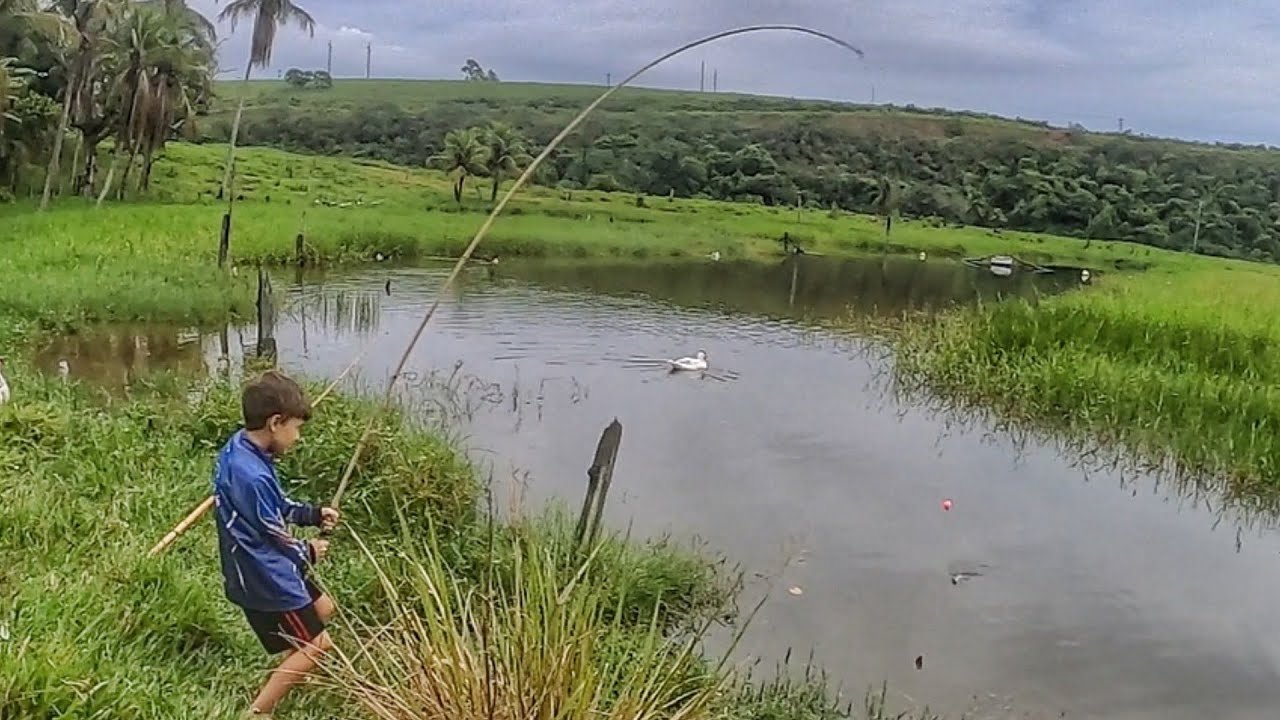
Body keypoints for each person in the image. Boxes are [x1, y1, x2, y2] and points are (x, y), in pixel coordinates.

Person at [212, 371, 340, 718]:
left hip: (265, 566)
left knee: (324, 608)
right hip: (264, 576)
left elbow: (277, 507)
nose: (297, 437)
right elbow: (275, 534)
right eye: (296, 428)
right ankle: (257, 712)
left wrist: (313, 514)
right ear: (275, 422)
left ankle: (289, 674)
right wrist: (309, 551)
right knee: (318, 644)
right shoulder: (251, 475)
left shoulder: (242, 448)